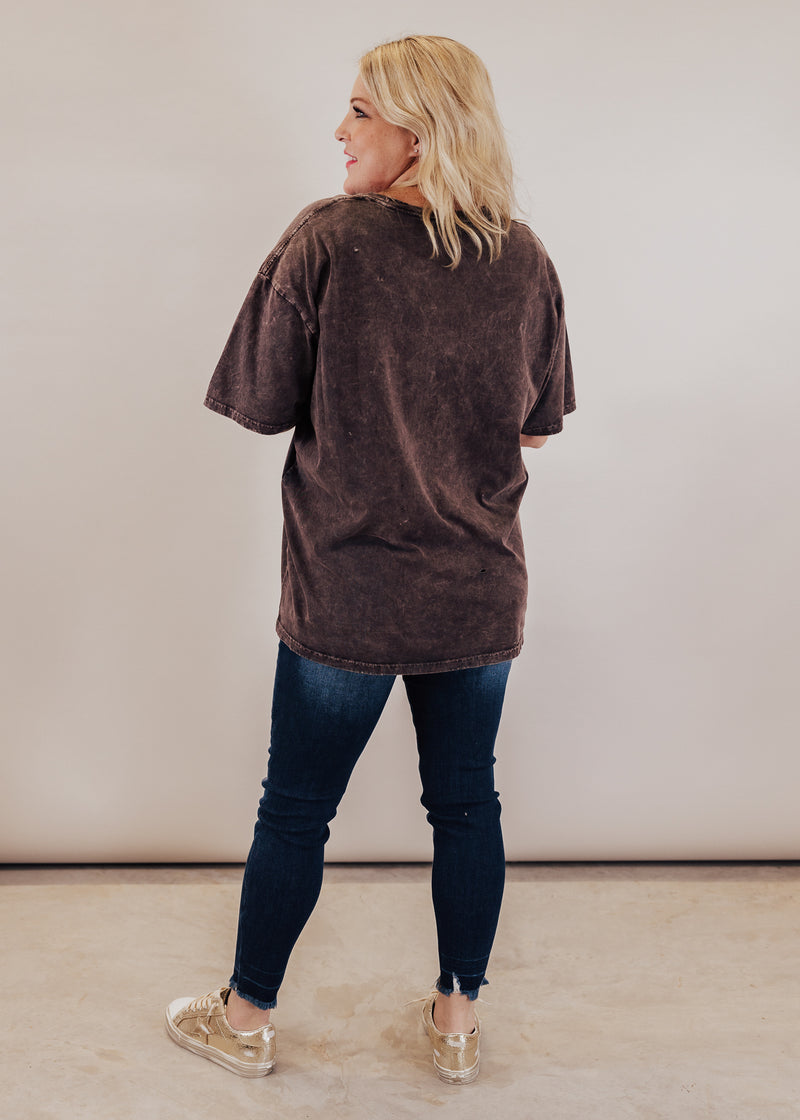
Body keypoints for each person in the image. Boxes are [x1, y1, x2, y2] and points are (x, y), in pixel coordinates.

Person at [165, 34, 574, 1086]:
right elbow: (534, 428)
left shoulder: (326, 240)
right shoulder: (522, 255)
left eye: (359, 110)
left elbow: (259, 404)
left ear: (419, 130)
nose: (338, 130)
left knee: (296, 809)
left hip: (348, 587)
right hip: (476, 586)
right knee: (467, 804)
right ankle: (456, 1023)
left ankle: (245, 1019)